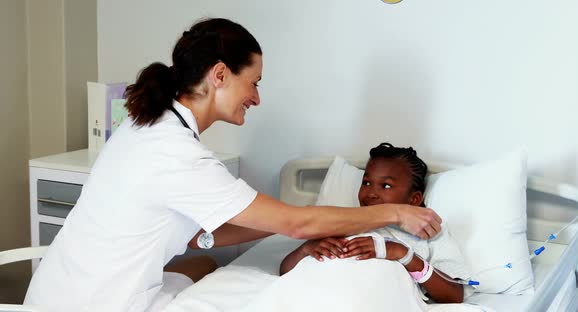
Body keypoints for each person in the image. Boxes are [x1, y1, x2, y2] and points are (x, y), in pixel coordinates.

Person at [24, 19, 442, 312]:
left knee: (204, 263)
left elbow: (199, 239)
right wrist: (392, 213)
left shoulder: (146, 123)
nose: (257, 98)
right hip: (99, 304)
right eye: (254, 82)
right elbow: (296, 224)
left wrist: (306, 225)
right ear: (220, 74)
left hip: (59, 288)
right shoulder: (178, 154)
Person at [280, 143, 470, 304]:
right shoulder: (340, 222)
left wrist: (402, 254)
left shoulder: (427, 233)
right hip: (317, 295)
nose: (370, 193)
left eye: (386, 185)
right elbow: (285, 272)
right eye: (367, 183)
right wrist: (307, 249)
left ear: (414, 199)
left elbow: (454, 295)